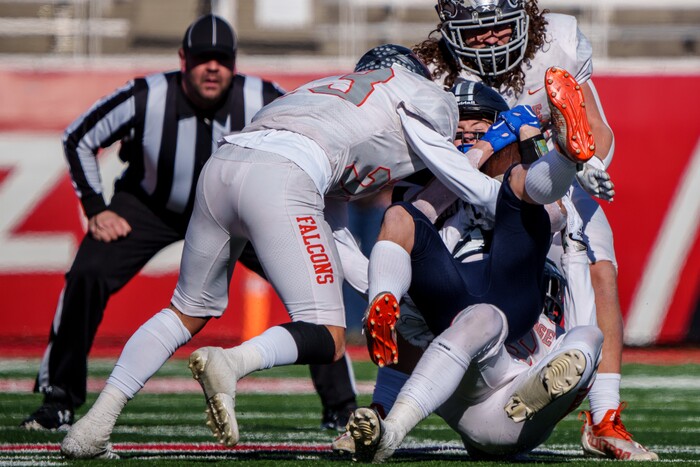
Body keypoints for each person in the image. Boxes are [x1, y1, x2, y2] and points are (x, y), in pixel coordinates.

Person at [57, 43, 507, 459]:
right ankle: (230, 363)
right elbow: (464, 180)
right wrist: (502, 164)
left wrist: (387, 288)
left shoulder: (325, 96)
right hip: (283, 177)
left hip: (224, 168)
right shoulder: (413, 93)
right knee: (328, 338)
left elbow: (336, 237)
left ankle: (93, 426)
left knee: (185, 310)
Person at [21, 13, 356, 434]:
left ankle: (340, 406)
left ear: (235, 62)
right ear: (183, 58)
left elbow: (312, 143)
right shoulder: (148, 95)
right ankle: (59, 398)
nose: (211, 67)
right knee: (87, 272)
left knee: (313, 293)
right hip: (152, 207)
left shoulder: (263, 96)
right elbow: (79, 137)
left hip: (238, 213)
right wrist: (95, 206)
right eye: (202, 58)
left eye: (221, 59)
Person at [413, 0, 654, 460]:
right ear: (451, 30)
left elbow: (596, 128)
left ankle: (604, 417)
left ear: (525, 20)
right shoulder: (432, 71)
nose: (489, 40)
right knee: (426, 280)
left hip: (555, 171)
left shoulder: (557, 42)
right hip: (473, 183)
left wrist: (588, 163)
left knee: (600, 270)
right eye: (475, 31)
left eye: (500, 28)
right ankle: (393, 401)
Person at [347, 70, 615, 463]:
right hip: (467, 369)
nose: (468, 141)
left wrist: (539, 149)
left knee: (587, 338)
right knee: (405, 221)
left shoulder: (525, 193)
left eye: (480, 131)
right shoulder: (425, 189)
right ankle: (382, 317)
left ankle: (534, 386)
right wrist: (496, 145)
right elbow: (432, 205)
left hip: (521, 367)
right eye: (459, 133)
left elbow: (555, 215)